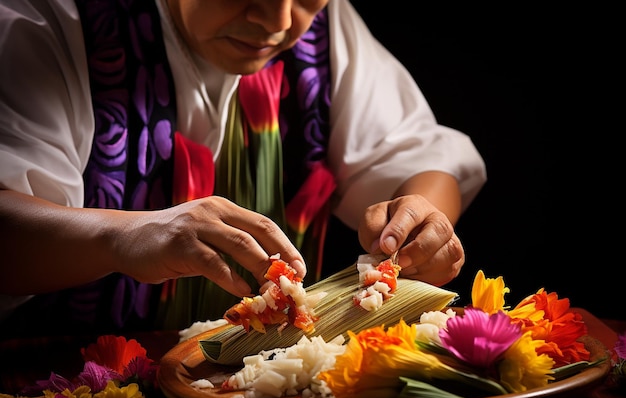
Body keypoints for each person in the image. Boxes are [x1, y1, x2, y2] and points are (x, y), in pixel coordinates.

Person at [0, 0, 486, 337]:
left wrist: (423, 222)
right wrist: (120, 235)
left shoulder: (325, 25)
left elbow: (420, 156)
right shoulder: (46, 25)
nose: (276, 20)